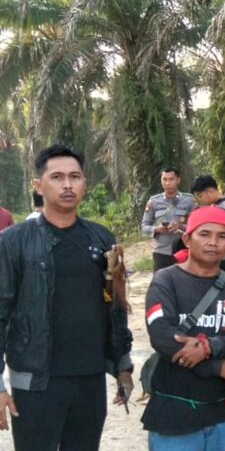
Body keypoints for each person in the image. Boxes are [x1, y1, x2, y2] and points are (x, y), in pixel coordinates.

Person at [0, 144, 133, 451]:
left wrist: (122, 365)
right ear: (38, 185)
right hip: (36, 381)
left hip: (89, 377)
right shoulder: (13, 242)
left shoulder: (101, 238)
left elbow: (115, 307)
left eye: (75, 177)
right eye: (57, 177)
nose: (68, 185)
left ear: (85, 183)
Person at [142, 206, 225, 450]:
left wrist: (208, 346)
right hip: (174, 412)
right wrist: (217, 366)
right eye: (204, 234)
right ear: (187, 239)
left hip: (224, 413)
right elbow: (162, 337)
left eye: (222, 236)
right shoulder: (165, 281)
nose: (213, 242)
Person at [141, 167, 195, 272]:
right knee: (161, 282)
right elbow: (144, 227)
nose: (167, 183)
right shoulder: (153, 202)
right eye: (164, 179)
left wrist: (180, 226)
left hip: (184, 251)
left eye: (171, 179)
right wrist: (157, 229)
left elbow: (197, 226)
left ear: (178, 180)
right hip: (162, 252)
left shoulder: (189, 200)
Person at [190, 174, 225, 276]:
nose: (200, 200)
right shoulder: (219, 207)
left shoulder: (224, 209)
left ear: (209, 192)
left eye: (200, 196)